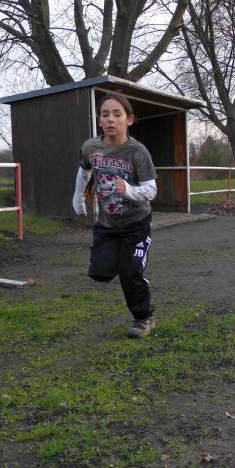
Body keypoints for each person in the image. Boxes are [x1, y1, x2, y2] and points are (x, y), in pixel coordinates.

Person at [72, 93, 158, 339]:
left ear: (129, 119)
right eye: (105, 114)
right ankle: (127, 266)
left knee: (130, 271)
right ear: (99, 120)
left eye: (117, 114)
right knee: (100, 272)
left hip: (136, 224)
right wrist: (78, 197)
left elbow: (151, 190)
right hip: (107, 224)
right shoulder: (91, 147)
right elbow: (84, 171)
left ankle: (144, 318)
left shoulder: (137, 152)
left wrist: (129, 190)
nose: (111, 119)